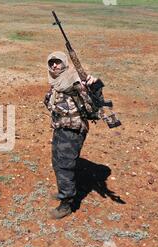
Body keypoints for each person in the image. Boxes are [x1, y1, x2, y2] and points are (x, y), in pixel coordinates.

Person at [44, 51, 97, 219]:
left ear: (65, 63)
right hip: (61, 129)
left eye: (57, 62)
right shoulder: (56, 82)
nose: (54, 65)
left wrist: (91, 84)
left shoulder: (74, 80)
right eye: (51, 62)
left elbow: (92, 103)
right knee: (57, 162)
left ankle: (66, 203)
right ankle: (64, 191)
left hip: (72, 130)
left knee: (64, 166)